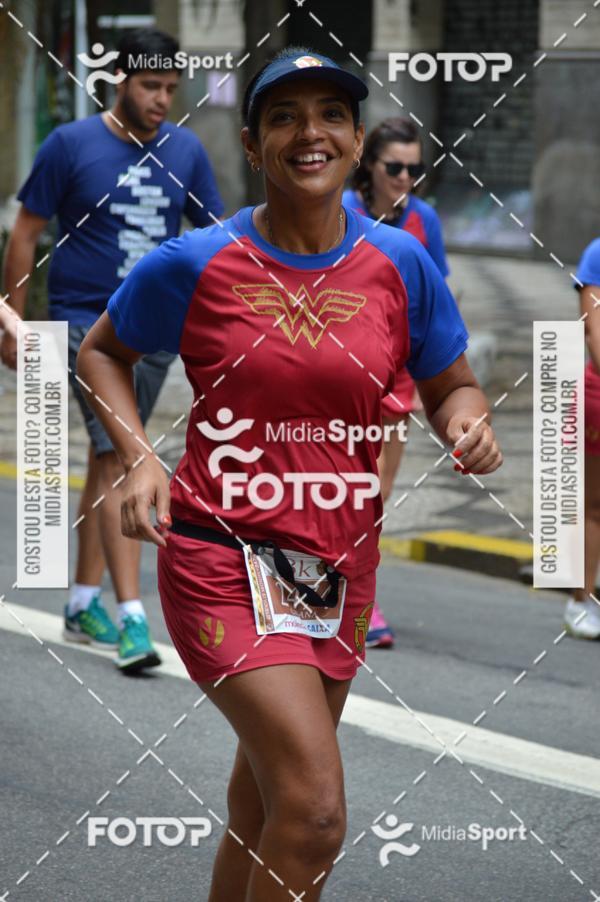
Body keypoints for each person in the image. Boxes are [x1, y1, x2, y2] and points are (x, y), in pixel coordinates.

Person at [77, 47, 502, 900]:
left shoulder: (400, 263)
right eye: (285, 117)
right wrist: (139, 456)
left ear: (352, 142)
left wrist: (466, 421)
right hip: (220, 558)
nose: (310, 133)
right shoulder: (196, 262)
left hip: (336, 570)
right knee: (313, 814)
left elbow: (450, 380)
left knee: (263, 802)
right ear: (252, 142)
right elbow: (102, 352)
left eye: (331, 115)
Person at [0, 28, 224, 673]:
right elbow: (27, 232)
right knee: (121, 452)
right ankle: (131, 618)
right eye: (151, 86)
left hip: (152, 333)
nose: (161, 100)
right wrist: (14, 317)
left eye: (171, 90)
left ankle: (79, 601)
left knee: (109, 457)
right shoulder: (71, 144)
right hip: (81, 324)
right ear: (119, 80)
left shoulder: (185, 151)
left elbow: (217, 240)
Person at [343, 117, 449, 648]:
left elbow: (437, 305)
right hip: (341, 375)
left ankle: (361, 600)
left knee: (372, 495)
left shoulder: (423, 219)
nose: (406, 178)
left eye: (415, 168)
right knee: (332, 488)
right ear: (369, 167)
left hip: (398, 376)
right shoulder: (342, 212)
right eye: (395, 167)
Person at [564, 238, 600, 638]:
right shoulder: (597, 253)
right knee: (593, 506)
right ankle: (580, 601)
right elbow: (594, 328)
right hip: (598, 393)